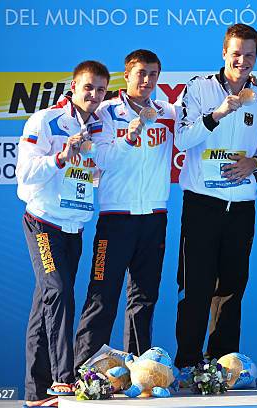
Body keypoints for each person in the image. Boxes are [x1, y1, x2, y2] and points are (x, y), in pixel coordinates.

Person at [173, 24, 257, 371]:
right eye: (236, 53)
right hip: (202, 204)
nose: (242, 61)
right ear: (224, 53)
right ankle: (187, 364)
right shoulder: (198, 88)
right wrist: (216, 115)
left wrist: (255, 162)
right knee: (196, 288)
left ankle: (223, 366)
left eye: (249, 55)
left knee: (231, 289)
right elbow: (181, 141)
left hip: (241, 207)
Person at [74, 50, 176, 369]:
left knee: (144, 299)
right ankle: (86, 370)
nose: (147, 80)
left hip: (155, 218)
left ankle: (140, 369)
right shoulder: (104, 112)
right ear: (127, 75)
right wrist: (129, 137)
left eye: (153, 74)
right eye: (141, 73)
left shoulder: (167, 112)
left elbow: (197, 131)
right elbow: (101, 160)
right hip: (115, 219)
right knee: (102, 295)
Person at [17, 61, 109, 407]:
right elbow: (24, 173)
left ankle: (35, 393)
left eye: (101, 89)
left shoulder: (99, 126)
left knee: (45, 302)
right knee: (59, 292)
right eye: (88, 87)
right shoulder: (45, 121)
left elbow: (94, 174)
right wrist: (60, 157)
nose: (94, 95)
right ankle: (61, 380)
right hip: (43, 222)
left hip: (74, 226)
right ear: (73, 86)